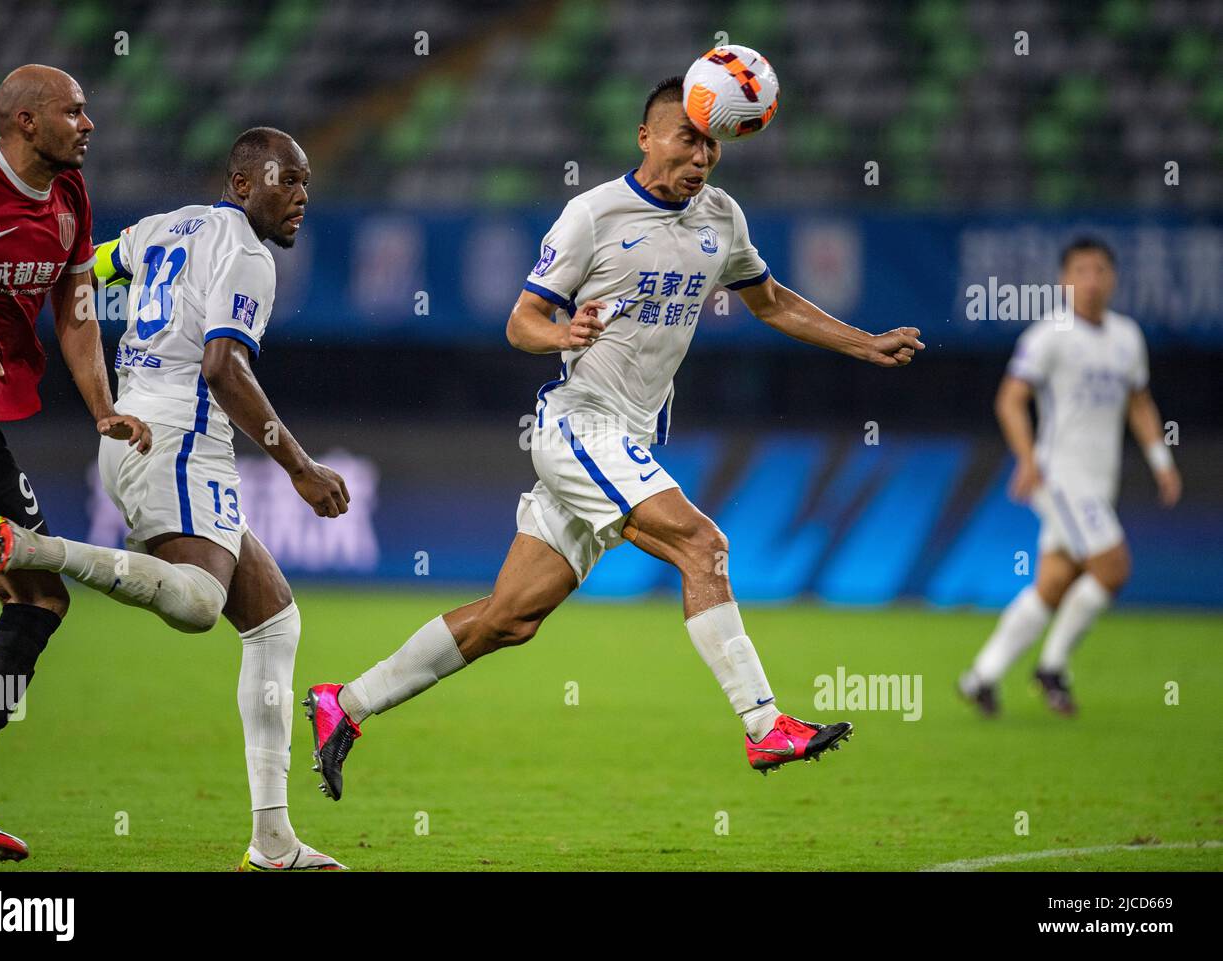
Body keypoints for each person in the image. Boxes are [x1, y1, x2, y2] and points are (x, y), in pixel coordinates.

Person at [302, 76, 924, 802]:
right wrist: (561, 331)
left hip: (627, 441)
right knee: (704, 545)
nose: (701, 156)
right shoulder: (592, 215)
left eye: (712, 142)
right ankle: (764, 723)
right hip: (578, 425)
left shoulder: (722, 218)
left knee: (510, 618)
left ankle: (342, 704)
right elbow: (520, 321)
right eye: (687, 138)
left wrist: (864, 343)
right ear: (646, 136)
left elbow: (772, 301)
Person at [0, 127, 351, 871]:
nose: (301, 196)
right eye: (287, 180)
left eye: (307, 183)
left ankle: (273, 841)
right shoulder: (244, 251)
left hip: (132, 432)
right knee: (201, 604)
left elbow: (81, 270)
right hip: (178, 442)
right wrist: (300, 467)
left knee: (273, 620)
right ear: (244, 183)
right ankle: (41, 548)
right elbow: (223, 368)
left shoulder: (161, 228)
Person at [0, 65, 151, 862]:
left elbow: (78, 314)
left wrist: (103, 407)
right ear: (25, 121)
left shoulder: (71, 202)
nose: (89, 123)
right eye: (74, 111)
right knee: (40, 597)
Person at [960, 237, 1181, 716]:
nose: (1091, 280)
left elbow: (1139, 403)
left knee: (1056, 581)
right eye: (1081, 271)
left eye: (1100, 270)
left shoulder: (1127, 337)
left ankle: (982, 675)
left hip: (1100, 479)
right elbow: (1010, 399)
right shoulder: (1049, 336)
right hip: (1060, 477)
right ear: (1063, 281)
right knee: (1113, 567)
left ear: (1114, 278)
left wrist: (1162, 462)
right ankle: (1053, 666)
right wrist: (1027, 458)